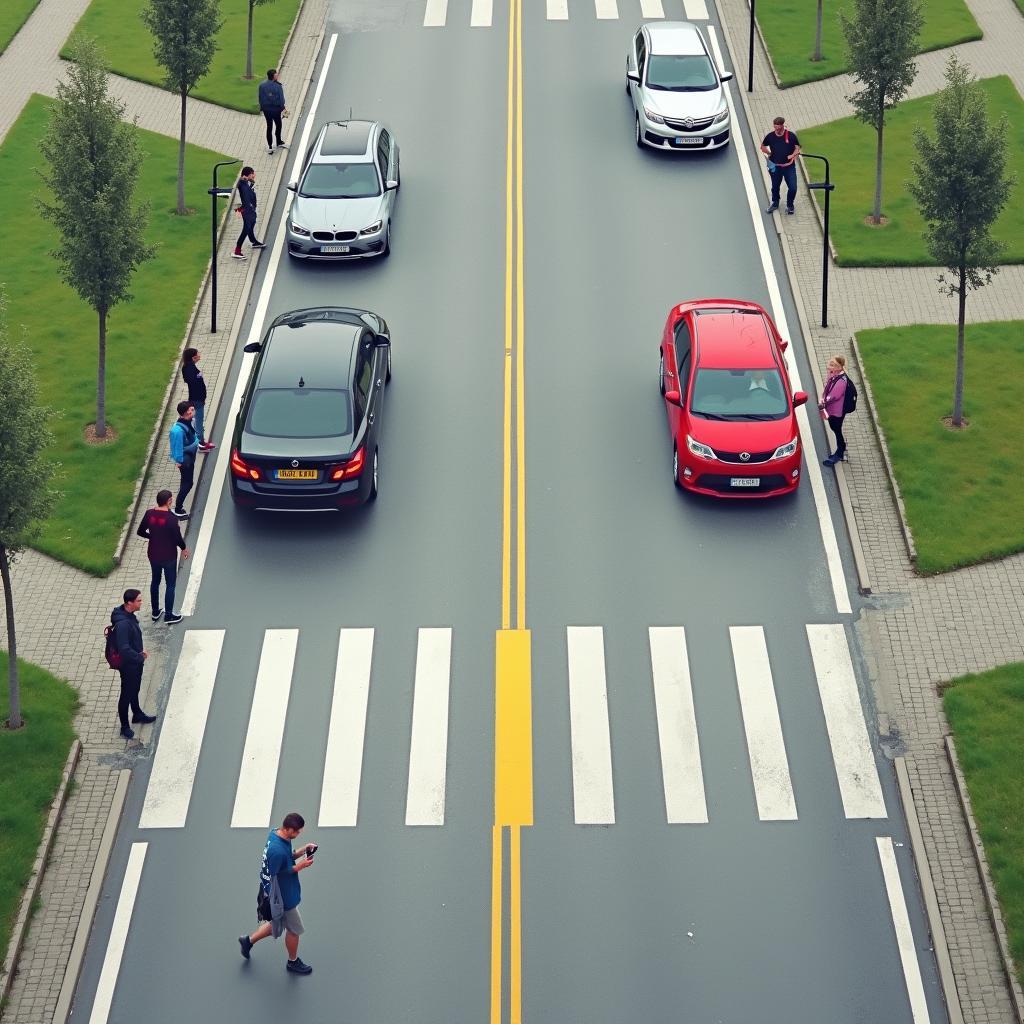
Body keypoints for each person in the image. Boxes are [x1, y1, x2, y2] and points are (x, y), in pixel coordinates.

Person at [239, 812, 317, 975]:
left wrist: (304, 849)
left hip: (281, 893)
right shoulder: (277, 852)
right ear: (288, 829)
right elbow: (278, 873)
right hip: (283, 896)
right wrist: (300, 866)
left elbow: (288, 856)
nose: (298, 834)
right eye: (297, 832)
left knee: (277, 922)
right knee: (294, 930)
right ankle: (292, 962)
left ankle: (248, 941)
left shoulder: (276, 834)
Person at [136, 489, 189, 624]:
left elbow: (140, 531)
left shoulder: (149, 514)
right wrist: (184, 548)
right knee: (170, 584)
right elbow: (177, 538)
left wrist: (152, 537)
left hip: (153, 554)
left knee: (155, 581)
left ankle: (155, 612)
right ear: (169, 501)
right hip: (169, 555)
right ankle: (169, 615)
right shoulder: (171, 519)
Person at [110, 589, 156, 739]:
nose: (141, 603)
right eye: (139, 601)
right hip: (129, 665)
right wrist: (139, 658)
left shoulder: (127, 615)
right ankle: (124, 726)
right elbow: (124, 649)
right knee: (126, 694)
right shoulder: (123, 623)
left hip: (135, 663)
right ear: (129, 603)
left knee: (134, 689)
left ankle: (137, 714)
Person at [760, 116, 801, 215]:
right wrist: (769, 153)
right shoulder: (770, 136)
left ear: (783, 125)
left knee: (793, 188)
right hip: (775, 167)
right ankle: (775, 203)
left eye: (778, 127)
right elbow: (762, 146)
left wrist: (793, 154)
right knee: (775, 187)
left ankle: (790, 205)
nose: (776, 130)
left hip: (789, 167)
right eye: (775, 127)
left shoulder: (791, 136)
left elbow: (797, 147)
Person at [169, 400, 199, 519]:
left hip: (189, 456)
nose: (193, 411)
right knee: (188, 483)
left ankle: (178, 506)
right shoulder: (177, 430)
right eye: (192, 409)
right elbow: (176, 447)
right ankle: (177, 509)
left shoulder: (187, 421)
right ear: (187, 412)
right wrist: (179, 461)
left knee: (185, 481)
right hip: (185, 460)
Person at [819, 355, 849, 466]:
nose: (830, 365)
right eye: (830, 363)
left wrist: (823, 402)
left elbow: (833, 396)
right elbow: (828, 386)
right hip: (832, 409)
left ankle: (840, 452)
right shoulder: (833, 374)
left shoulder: (841, 381)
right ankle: (841, 449)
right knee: (835, 429)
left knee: (836, 429)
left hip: (836, 412)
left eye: (833, 365)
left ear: (840, 367)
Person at [181, 349, 214, 452]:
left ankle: (198, 440)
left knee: (196, 420)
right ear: (193, 357)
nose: (199, 355)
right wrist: (202, 398)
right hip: (197, 399)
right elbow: (196, 385)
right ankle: (201, 444)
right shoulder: (191, 369)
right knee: (199, 421)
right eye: (197, 354)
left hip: (195, 398)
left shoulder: (187, 367)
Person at [233, 167, 265, 261]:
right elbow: (242, 198)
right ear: (247, 175)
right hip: (246, 210)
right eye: (252, 174)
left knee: (252, 223)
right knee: (246, 229)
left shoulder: (246, 183)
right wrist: (240, 210)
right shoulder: (241, 184)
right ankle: (237, 251)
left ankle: (253, 241)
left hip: (250, 210)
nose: (254, 176)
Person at [258, 69, 288, 156]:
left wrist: (262, 108)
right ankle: (278, 141)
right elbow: (281, 100)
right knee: (278, 125)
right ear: (274, 76)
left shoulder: (262, 85)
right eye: (277, 74)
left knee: (269, 126)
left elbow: (260, 98)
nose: (278, 75)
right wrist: (283, 108)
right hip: (276, 110)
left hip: (267, 110)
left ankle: (270, 146)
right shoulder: (278, 86)